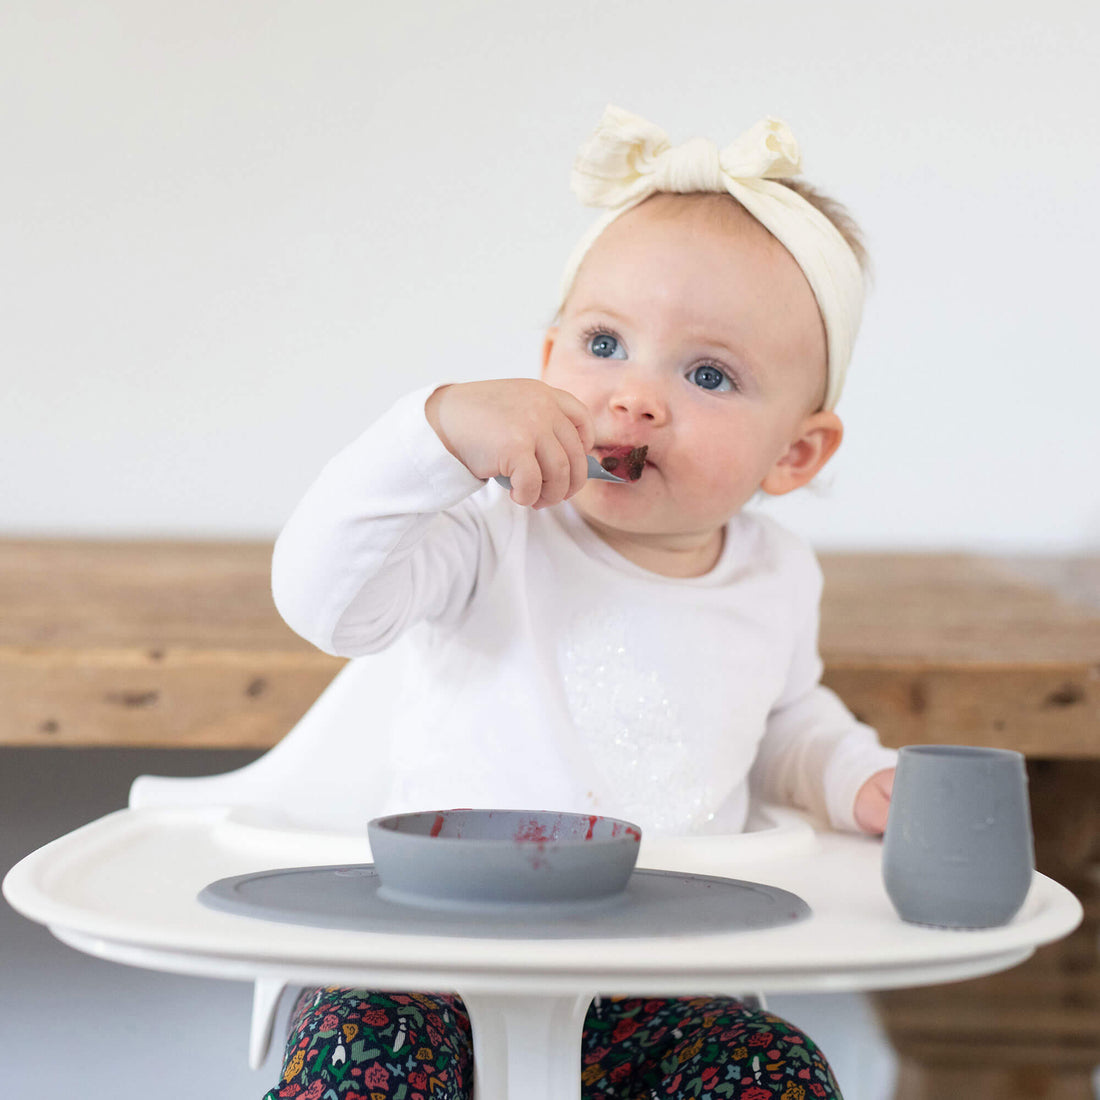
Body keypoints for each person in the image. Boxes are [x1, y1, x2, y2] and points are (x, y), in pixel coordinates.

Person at [263, 105, 898, 1100]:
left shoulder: (775, 576)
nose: (634, 397)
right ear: (547, 357)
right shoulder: (489, 528)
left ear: (794, 452)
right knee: (360, 1051)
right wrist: (432, 434)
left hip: (668, 976)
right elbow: (321, 600)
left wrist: (852, 772)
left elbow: (779, 723)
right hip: (433, 957)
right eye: (604, 342)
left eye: (706, 373)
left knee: (776, 1071)